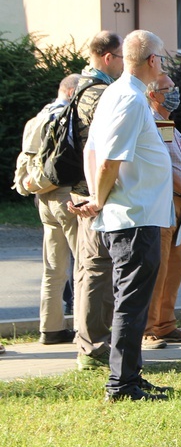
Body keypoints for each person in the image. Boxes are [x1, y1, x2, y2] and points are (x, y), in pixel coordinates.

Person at [71, 30, 173, 401]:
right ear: (151, 61)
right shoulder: (129, 99)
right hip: (134, 218)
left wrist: (97, 198)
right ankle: (122, 384)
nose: (163, 64)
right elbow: (111, 158)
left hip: (134, 215)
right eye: (162, 57)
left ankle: (130, 376)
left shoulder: (122, 94)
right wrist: (97, 199)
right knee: (131, 306)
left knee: (133, 303)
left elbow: (94, 151)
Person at [69, 31, 124, 371]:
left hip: (81, 187)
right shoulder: (101, 94)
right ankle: (92, 348)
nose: (122, 63)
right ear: (108, 57)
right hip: (92, 190)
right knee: (97, 269)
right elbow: (105, 148)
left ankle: (89, 341)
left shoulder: (78, 87)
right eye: (120, 57)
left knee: (87, 267)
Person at [142, 74, 181, 349]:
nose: (175, 93)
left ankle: (165, 324)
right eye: (168, 90)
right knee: (158, 267)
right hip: (165, 202)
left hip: (180, 203)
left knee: (174, 267)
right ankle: (148, 329)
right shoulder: (150, 124)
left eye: (175, 88)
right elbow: (163, 168)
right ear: (153, 95)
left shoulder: (169, 126)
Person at [24, 74, 81, 344]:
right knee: (84, 265)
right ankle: (86, 330)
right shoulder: (69, 115)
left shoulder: (39, 116)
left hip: (43, 195)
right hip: (68, 194)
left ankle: (51, 328)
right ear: (71, 92)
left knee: (53, 269)